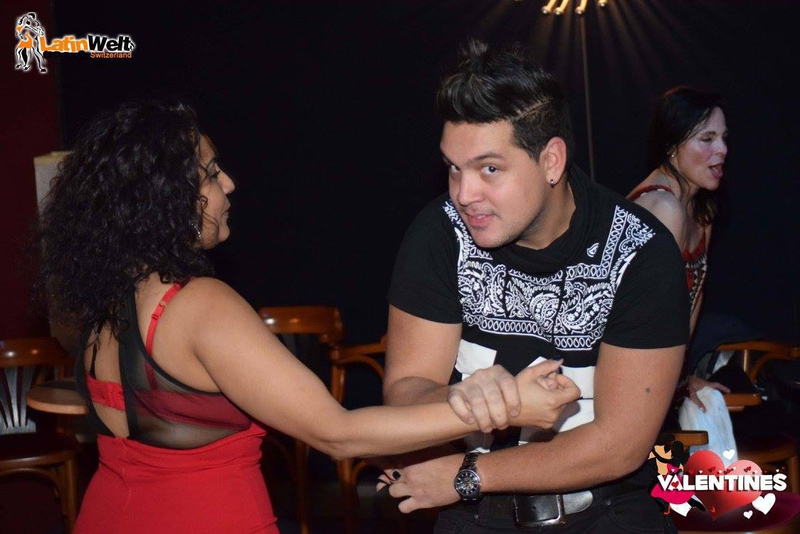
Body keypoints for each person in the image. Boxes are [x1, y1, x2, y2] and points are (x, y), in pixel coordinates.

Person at [35, 99, 581, 533]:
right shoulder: (200, 305)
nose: (229, 184)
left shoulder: (109, 301)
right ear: (167, 197)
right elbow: (338, 434)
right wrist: (505, 405)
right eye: (211, 173)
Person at [379, 39, 689, 532]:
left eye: (489, 169)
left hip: (606, 514)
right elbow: (404, 393)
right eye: (454, 168)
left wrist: (469, 475)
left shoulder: (639, 250)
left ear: (551, 161)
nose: (464, 193)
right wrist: (467, 402)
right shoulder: (440, 233)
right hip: (472, 517)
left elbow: (620, 445)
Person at [628, 86, 730, 411]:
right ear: (673, 145)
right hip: (626, 376)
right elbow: (649, 320)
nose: (723, 149)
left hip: (659, 373)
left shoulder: (701, 211)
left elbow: (691, 300)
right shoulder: (661, 207)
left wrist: (683, 379)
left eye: (724, 138)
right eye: (707, 139)